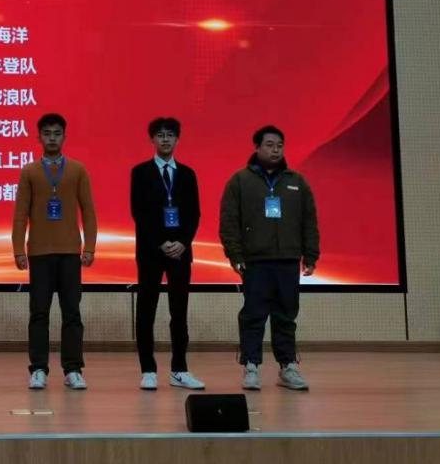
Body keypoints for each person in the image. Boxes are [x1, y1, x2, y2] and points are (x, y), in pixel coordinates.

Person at [219, 125, 320, 391]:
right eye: (269, 145)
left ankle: (288, 366)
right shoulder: (240, 181)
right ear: (257, 148)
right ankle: (251, 366)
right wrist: (235, 254)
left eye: (279, 145)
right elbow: (229, 222)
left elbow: (309, 221)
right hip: (255, 261)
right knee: (253, 315)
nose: (275, 150)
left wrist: (311, 254)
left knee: (286, 316)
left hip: (288, 259)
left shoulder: (297, 182)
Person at [12, 113, 97, 390]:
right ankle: (38, 368)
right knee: (39, 313)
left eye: (57, 133)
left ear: (64, 136)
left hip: (70, 252)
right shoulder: (29, 171)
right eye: (47, 133)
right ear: (38, 137)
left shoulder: (78, 170)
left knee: (72, 312)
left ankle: (73, 369)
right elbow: (20, 214)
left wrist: (89, 247)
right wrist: (18, 250)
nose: (52, 138)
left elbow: (89, 212)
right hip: (38, 253)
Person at [130, 117, 204, 391]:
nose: (165, 139)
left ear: (177, 139)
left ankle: (179, 369)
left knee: (179, 311)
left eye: (170, 135)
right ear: (152, 139)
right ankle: (148, 370)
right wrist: (161, 242)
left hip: (180, 252)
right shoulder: (140, 172)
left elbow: (194, 213)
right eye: (160, 135)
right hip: (151, 251)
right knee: (146, 309)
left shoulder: (187, 174)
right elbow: (139, 213)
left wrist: (182, 242)